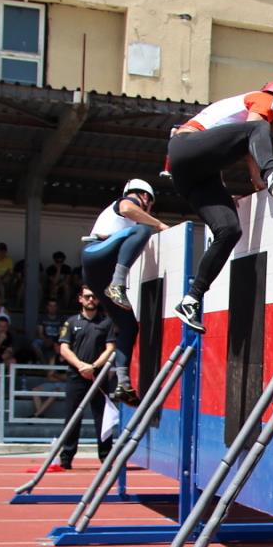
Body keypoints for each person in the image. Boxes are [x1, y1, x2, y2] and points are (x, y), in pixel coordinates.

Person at [164, 83, 273, 332]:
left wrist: (257, 185)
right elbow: (253, 134)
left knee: (229, 229)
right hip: (186, 147)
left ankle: (191, 300)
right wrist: (267, 177)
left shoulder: (247, 122)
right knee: (260, 128)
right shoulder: (266, 99)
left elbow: (244, 142)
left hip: (193, 174)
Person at [80, 178, 173, 405]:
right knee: (144, 228)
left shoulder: (128, 221)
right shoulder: (130, 201)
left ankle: (123, 382)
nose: (148, 208)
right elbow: (127, 208)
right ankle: (118, 283)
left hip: (98, 273)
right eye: (149, 203)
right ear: (145, 196)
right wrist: (159, 224)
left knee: (129, 326)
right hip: (96, 253)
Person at [56, 286, 117, 470]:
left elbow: (110, 348)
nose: (91, 300)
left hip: (98, 377)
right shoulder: (71, 322)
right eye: (88, 297)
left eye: (94, 297)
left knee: (102, 417)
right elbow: (64, 349)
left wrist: (94, 367)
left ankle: (106, 458)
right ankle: (66, 457)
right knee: (72, 417)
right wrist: (81, 366)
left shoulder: (107, 323)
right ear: (80, 299)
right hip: (76, 375)